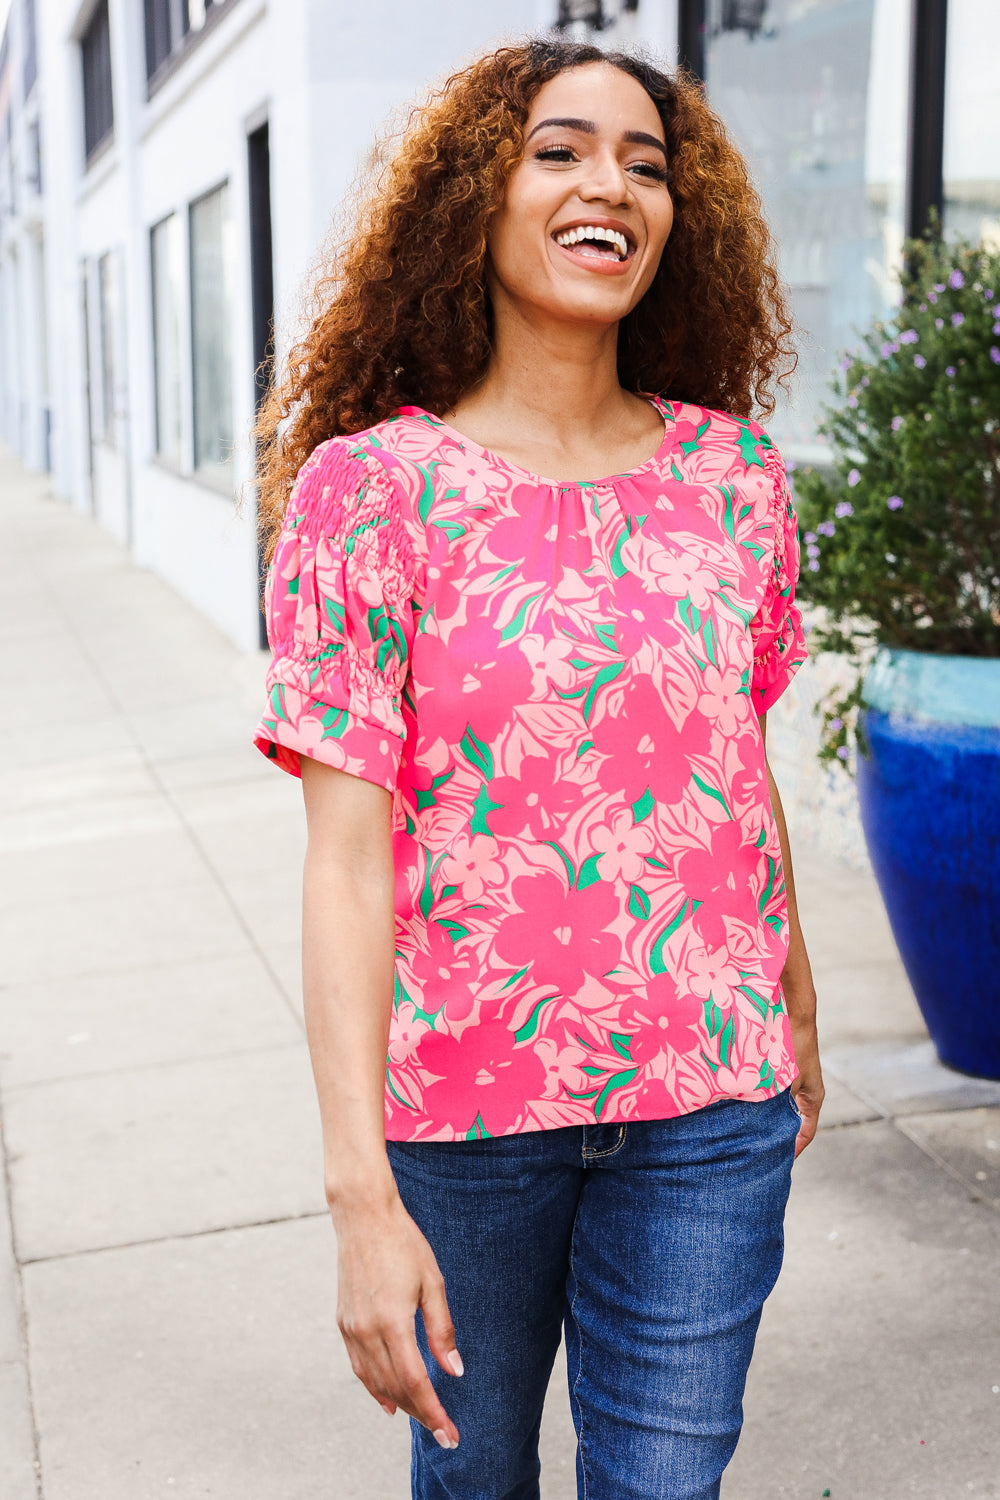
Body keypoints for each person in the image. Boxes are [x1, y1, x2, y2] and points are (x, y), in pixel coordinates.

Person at [253, 37, 824, 1500]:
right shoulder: (370, 493)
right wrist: (358, 1197)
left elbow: (734, 765)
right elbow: (344, 862)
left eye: (646, 164)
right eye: (558, 151)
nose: (609, 186)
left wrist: (795, 1004)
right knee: (475, 1479)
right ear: (475, 198)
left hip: (710, 1103)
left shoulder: (735, 479)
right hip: (465, 1122)